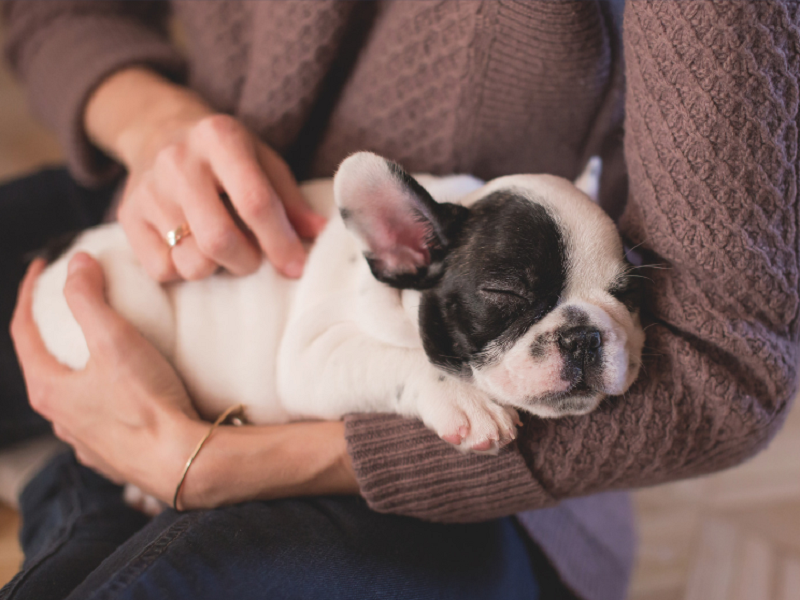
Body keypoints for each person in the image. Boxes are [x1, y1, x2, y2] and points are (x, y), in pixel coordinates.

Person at [2, 1, 798, 599]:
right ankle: (81, 490)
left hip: (438, 487)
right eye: (514, 301)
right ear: (401, 248)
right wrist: (151, 121)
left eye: (619, 300)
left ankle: (74, 497)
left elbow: (728, 365)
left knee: (170, 576)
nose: (586, 335)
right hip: (159, 237)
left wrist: (202, 465)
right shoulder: (414, 243)